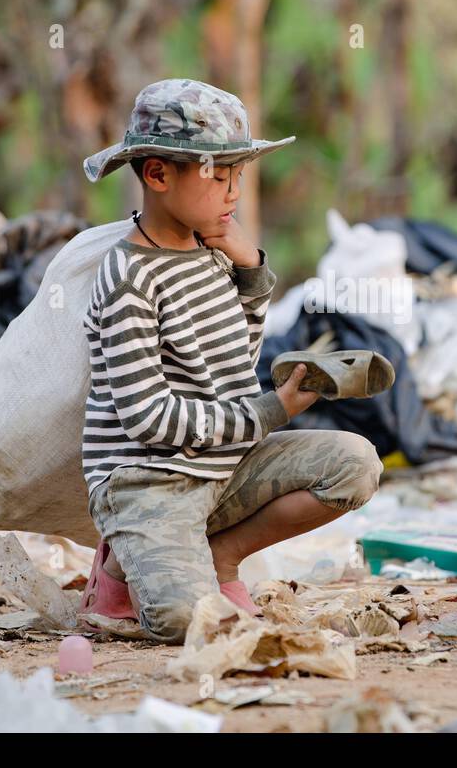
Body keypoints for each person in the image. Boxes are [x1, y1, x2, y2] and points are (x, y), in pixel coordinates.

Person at [77, 78, 383, 642]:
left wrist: (251, 277)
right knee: (184, 623)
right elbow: (148, 419)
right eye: (218, 174)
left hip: (222, 465)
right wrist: (269, 412)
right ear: (158, 175)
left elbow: (233, 364)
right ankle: (121, 562)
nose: (233, 192)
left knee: (356, 465)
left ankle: (221, 557)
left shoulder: (210, 254)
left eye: (238, 175)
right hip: (150, 481)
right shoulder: (128, 281)